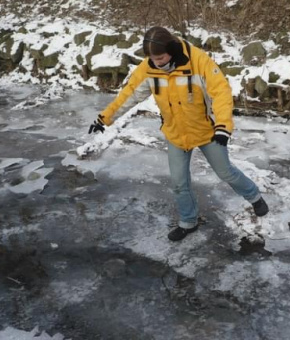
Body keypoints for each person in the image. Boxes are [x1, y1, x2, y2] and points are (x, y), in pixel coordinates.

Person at [89, 26, 269, 241]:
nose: (157, 62)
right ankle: (188, 222)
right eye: (153, 59)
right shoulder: (149, 68)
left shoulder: (198, 61)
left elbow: (220, 91)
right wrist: (104, 118)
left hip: (206, 130)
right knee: (179, 183)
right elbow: (129, 95)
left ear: (172, 50)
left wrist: (223, 126)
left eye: (161, 57)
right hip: (175, 133)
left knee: (225, 172)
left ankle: (255, 197)